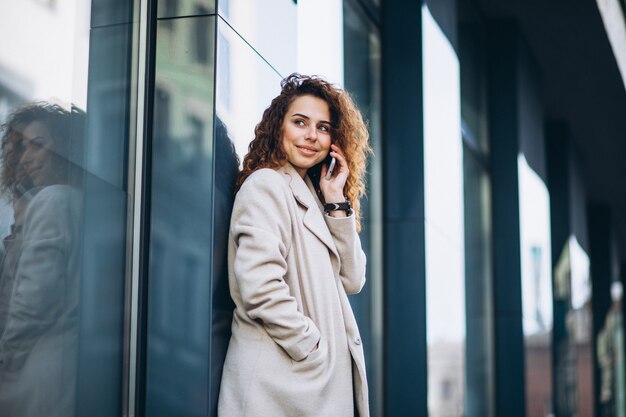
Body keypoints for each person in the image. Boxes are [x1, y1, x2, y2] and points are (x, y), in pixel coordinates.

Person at [217, 73, 372, 417]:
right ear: (278, 127)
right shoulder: (267, 185)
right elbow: (259, 286)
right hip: (280, 386)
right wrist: (311, 345)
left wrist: (336, 202)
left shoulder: (316, 201)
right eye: (300, 122)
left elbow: (354, 279)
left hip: (307, 386)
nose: (311, 136)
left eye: (323, 127)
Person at [0, 102, 83, 417]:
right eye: (23, 148)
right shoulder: (77, 202)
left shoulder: (53, 200)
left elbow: (33, 300)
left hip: (38, 373)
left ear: (64, 149)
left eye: (38, 145)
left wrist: (6, 359)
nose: (26, 158)